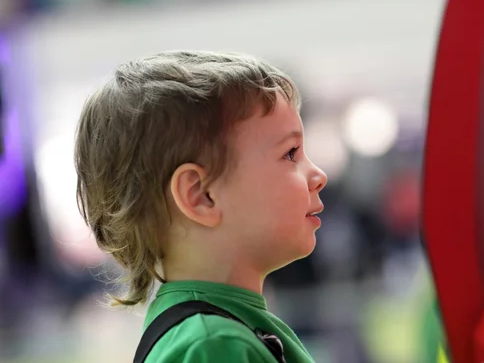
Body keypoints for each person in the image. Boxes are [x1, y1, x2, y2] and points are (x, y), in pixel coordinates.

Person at [74, 51, 327, 362]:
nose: (319, 175)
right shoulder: (214, 345)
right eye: (290, 154)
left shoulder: (211, 330)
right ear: (200, 195)